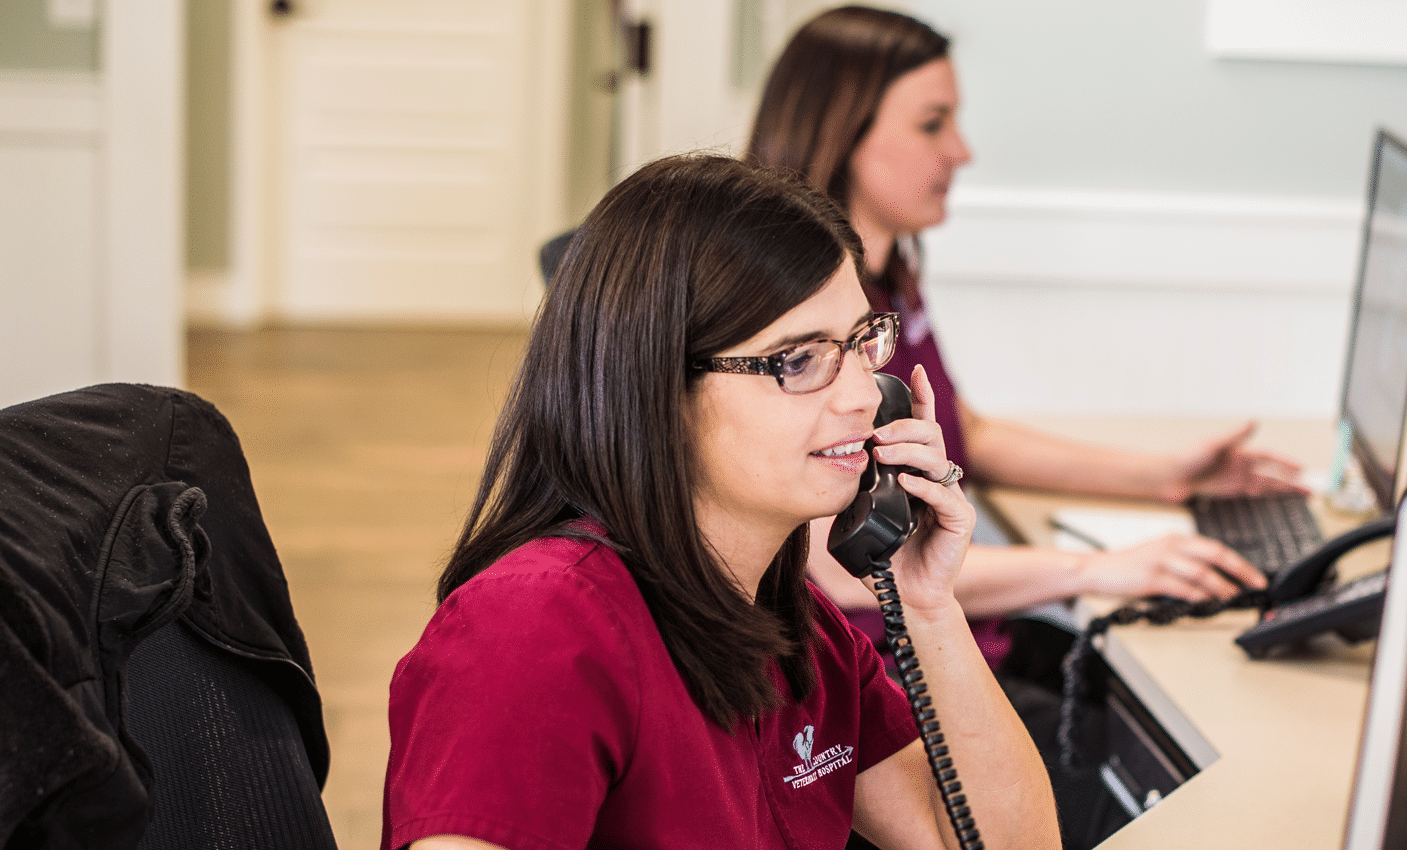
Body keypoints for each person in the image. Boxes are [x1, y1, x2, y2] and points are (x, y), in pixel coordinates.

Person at [383, 154, 1059, 850]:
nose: (863, 394)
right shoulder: (530, 632)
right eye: (798, 360)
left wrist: (928, 606)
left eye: (860, 343)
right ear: (656, 389)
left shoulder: (799, 631)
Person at [747, 6, 1305, 666]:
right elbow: (840, 568)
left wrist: (1161, 477)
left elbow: (967, 432)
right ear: (842, 136)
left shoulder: (888, 277)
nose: (961, 150)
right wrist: (1095, 570)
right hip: (881, 671)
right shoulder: (801, 319)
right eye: (932, 124)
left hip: (961, 636)